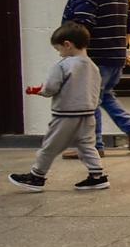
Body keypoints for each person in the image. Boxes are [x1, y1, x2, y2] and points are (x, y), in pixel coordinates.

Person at [62, 0, 130, 158]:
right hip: (115, 56)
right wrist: (122, 49)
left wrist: (78, 54)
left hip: (95, 55)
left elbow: (83, 21)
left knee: (89, 101)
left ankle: (93, 146)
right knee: (104, 95)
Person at [8, 23, 108, 192]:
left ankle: (37, 176)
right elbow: (97, 90)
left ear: (68, 44)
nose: (59, 53)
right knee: (87, 146)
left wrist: (41, 91)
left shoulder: (63, 65)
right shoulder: (93, 67)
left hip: (65, 116)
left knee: (50, 145)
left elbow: (51, 88)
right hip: (88, 114)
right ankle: (97, 176)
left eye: (59, 49)